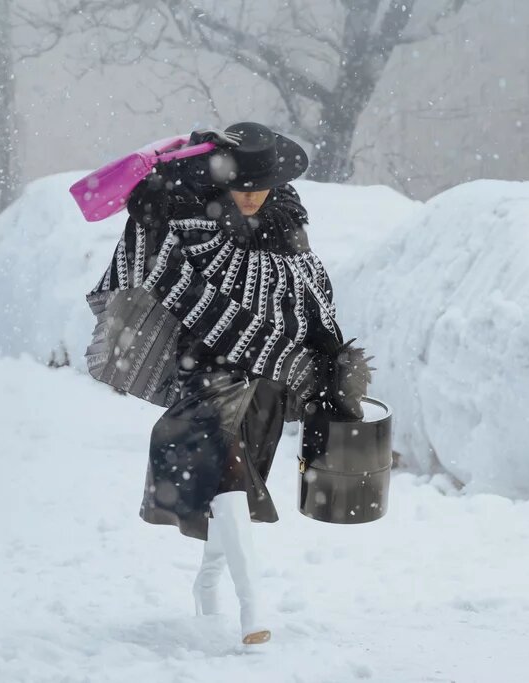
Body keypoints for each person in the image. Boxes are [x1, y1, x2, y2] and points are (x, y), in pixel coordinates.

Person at [83, 122, 374, 645]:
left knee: (232, 492)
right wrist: (149, 209)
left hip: (260, 382)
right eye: (241, 187)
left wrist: (333, 369)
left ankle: (207, 581)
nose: (251, 197)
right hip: (205, 373)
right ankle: (251, 609)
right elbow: (155, 270)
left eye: (259, 187)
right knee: (228, 480)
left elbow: (310, 298)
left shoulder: (285, 227)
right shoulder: (187, 215)